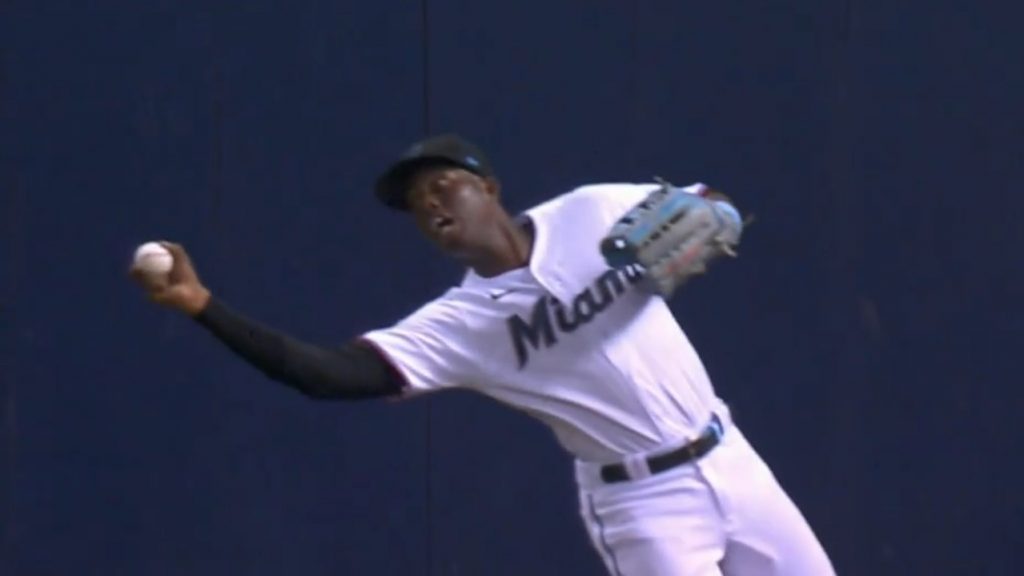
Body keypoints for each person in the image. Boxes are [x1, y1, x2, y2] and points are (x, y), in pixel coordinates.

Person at [130, 133, 836, 575]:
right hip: (645, 504)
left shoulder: (591, 211)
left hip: (730, 455)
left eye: (443, 187)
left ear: (489, 189)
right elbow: (330, 375)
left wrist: (712, 215)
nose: (431, 205)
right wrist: (204, 309)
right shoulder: (459, 325)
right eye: (417, 205)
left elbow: (711, 203)